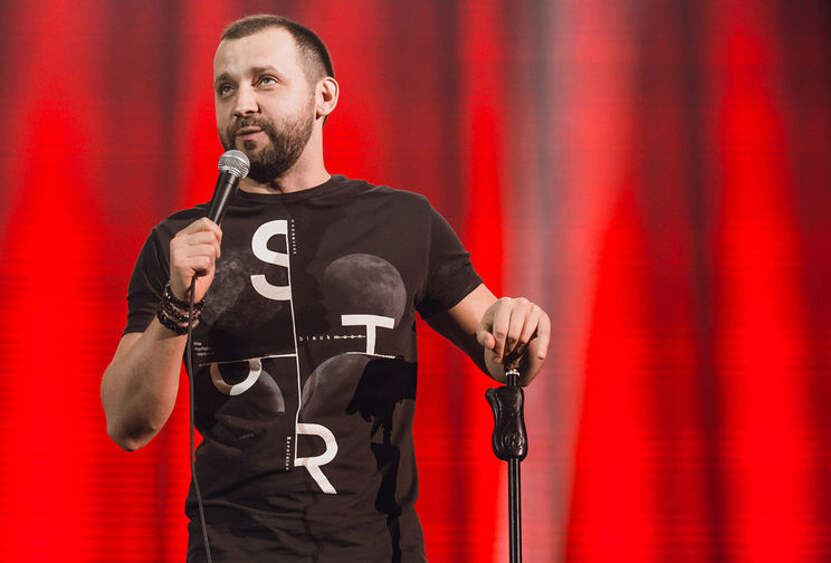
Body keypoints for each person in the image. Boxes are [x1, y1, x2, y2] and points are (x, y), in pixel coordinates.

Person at [100, 14, 551, 562]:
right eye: (226, 88)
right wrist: (177, 307)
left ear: (325, 96)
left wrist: (520, 325)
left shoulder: (403, 220)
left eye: (265, 80)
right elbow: (128, 424)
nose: (242, 103)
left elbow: (506, 354)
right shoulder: (180, 243)